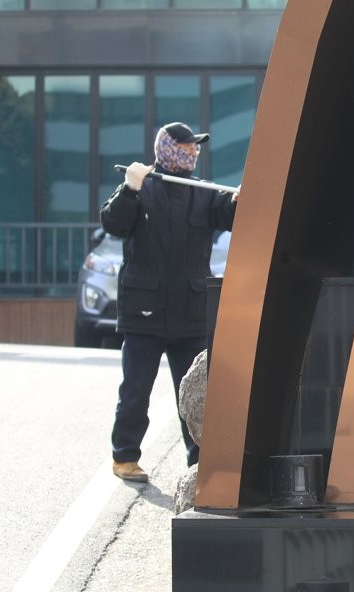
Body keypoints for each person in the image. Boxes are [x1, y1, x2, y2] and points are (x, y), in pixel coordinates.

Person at [101, 122, 238, 482]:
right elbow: (113, 223)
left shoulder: (203, 193)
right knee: (135, 391)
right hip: (143, 312)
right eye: (187, 147)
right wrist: (129, 188)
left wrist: (241, 199)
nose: (194, 153)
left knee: (196, 395)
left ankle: (201, 463)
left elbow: (232, 215)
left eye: (196, 148)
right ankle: (125, 456)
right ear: (168, 148)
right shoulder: (141, 188)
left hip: (189, 312)